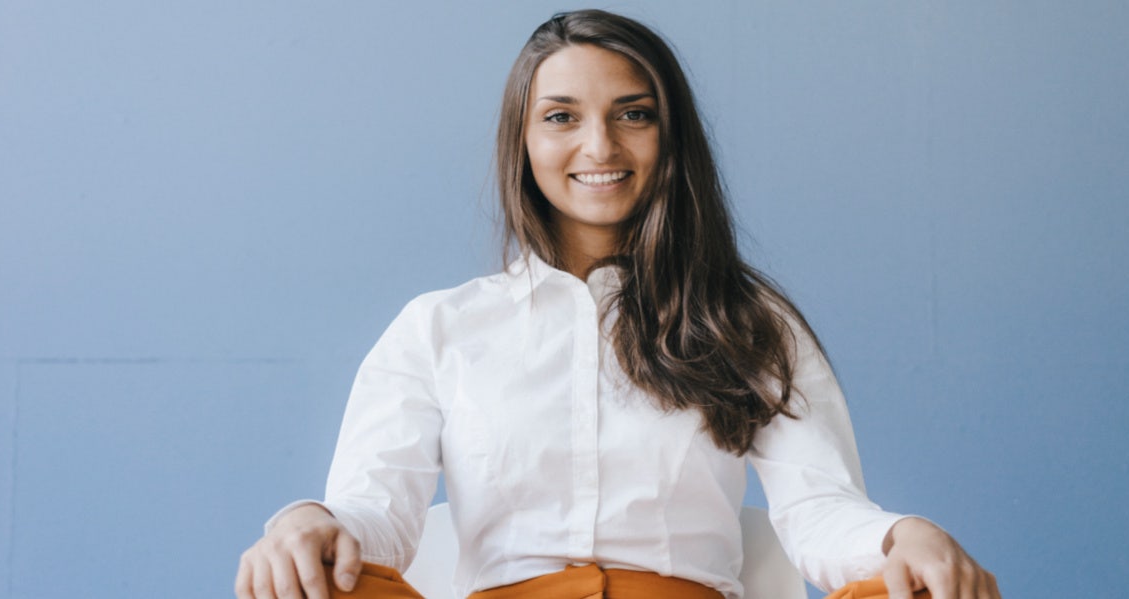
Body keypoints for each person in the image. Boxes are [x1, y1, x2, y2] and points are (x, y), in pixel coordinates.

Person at [235, 9, 999, 599]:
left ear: (671, 136)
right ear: (523, 141)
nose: (599, 146)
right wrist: (308, 521)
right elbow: (377, 515)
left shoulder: (748, 319)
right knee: (303, 579)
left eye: (634, 113)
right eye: (561, 116)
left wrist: (904, 536)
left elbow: (820, 506)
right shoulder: (440, 328)